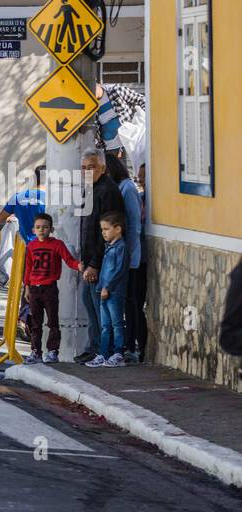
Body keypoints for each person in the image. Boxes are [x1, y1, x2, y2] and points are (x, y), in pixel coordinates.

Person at [76, 148, 126, 363]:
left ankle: (105, 351)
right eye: (84, 168)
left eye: (92, 167)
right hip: (89, 259)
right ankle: (95, 347)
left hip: (102, 262)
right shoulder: (91, 189)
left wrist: (94, 264)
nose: (87, 171)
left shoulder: (107, 191)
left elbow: (104, 232)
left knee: (100, 308)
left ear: (103, 168)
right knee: (89, 302)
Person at [21, 213, 81, 364]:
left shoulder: (57, 244)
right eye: (38, 227)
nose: (41, 230)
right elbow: (28, 268)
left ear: (51, 229)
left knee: (52, 321)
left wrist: (78, 266)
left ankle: (53, 351)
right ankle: (36, 351)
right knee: (35, 322)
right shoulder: (31, 246)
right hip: (34, 289)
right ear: (33, 230)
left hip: (49, 288)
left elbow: (69, 260)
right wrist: (27, 287)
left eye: (45, 227)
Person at [107, 152, 145, 363]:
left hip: (130, 258)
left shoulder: (127, 188)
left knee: (131, 303)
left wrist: (127, 256)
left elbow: (133, 225)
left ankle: (132, 345)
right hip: (120, 257)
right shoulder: (118, 188)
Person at [87, 211, 129, 368]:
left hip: (114, 292)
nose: (103, 232)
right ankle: (104, 354)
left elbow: (120, 270)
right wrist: (101, 287)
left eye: (106, 229)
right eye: (102, 229)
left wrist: (108, 287)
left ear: (118, 229)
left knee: (117, 323)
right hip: (103, 290)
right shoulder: (108, 247)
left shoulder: (121, 247)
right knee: (105, 325)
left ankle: (118, 353)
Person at [0, 165, 47, 243]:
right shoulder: (51, 199)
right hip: (43, 248)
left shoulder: (17, 197)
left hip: (22, 248)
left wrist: (13, 218)